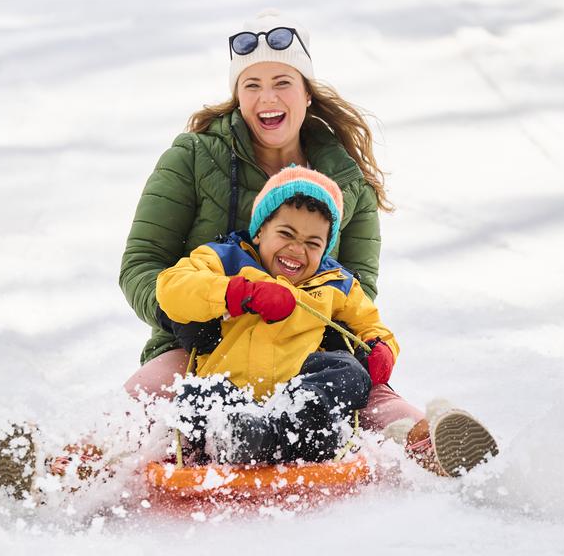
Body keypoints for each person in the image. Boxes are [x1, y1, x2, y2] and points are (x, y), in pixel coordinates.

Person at [118, 9, 496, 476]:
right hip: (202, 343)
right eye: (251, 85)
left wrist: (369, 345)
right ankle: (74, 466)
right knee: (151, 391)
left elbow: (358, 288)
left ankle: (433, 445)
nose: (267, 98)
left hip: (304, 342)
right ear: (237, 95)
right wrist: (209, 310)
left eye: (282, 82)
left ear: (307, 93)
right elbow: (143, 263)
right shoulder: (194, 157)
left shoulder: (345, 181)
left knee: (362, 388)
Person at [156, 166, 397, 464]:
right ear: (259, 233)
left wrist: (380, 347)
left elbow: (369, 322)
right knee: (195, 394)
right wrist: (239, 293)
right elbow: (171, 288)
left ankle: (290, 435)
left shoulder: (336, 282)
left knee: (347, 372)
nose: (297, 249)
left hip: (297, 395)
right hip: (230, 387)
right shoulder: (227, 259)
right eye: (286, 234)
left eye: (313, 243)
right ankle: (239, 436)